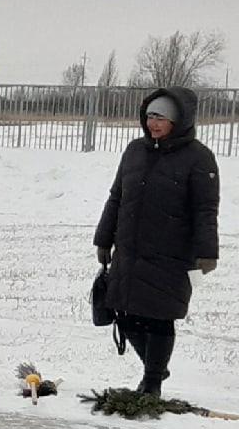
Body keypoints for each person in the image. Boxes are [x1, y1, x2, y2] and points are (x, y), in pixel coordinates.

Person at [93, 87, 221, 396]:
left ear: (178, 120)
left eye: (161, 117)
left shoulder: (199, 158)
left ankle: (151, 382)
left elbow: (205, 209)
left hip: (172, 252)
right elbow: (116, 196)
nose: (153, 123)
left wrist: (207, 252)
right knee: (124, 313)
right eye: (150, 116)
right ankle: (156, 367)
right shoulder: (135, 151)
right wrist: (103, 238)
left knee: (160, 316)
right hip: (130, 247)